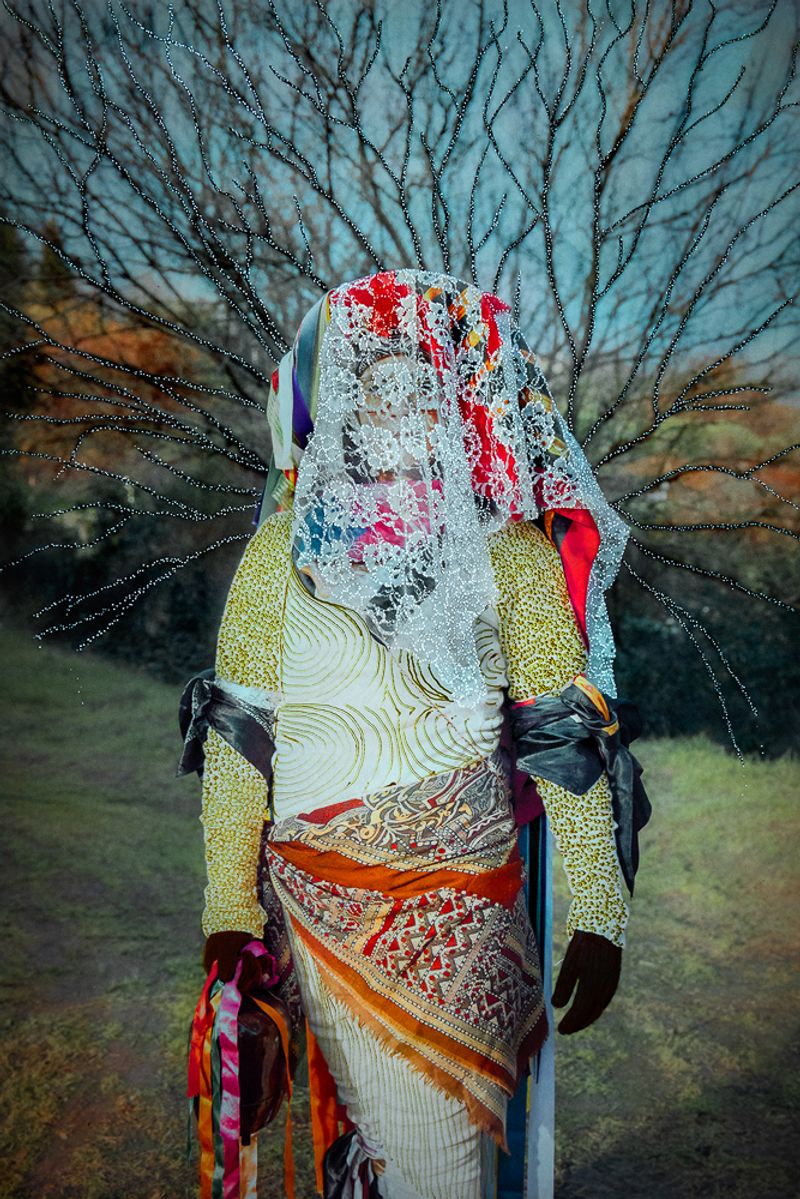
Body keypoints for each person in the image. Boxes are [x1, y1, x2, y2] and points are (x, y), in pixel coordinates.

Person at [190, 269, 649, 1199]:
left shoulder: (509, 551)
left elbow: (563, 736)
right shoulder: (281, 553)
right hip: (318, 911)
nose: (395, 409)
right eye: (373, 384)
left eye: (418, 387)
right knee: (406, 1160)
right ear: (342, 403)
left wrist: (600, 908)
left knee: (439, 1169)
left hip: (468, 918)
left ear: (457, 403)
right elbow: (239, 743)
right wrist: (228, 916)